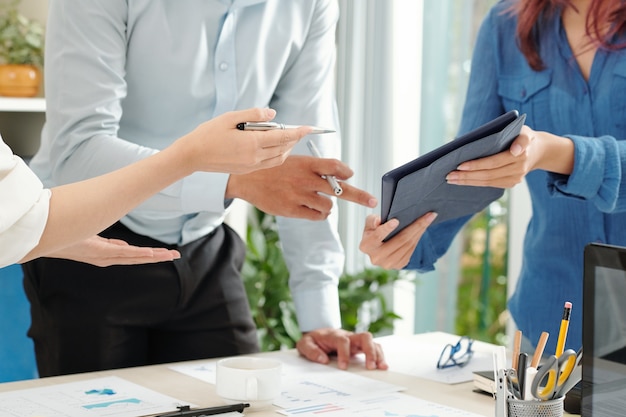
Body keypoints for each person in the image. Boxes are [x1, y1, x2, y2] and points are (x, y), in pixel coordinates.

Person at [25, 0, 386, 377]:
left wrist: (320, 317)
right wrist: (236, 180)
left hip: (204, 243)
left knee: (247, 401)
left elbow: (306, 159)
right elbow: (79, 153)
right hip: (86, 243)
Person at [360, 0, 626, 355]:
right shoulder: (506, 26)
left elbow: (541, 153)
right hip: (551, 327)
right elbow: (468, 169)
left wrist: (554, 152)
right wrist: (405, 239)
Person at [2, 108, 307, 268]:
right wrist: (190, 156)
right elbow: (25, 214)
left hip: (207, 245)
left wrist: (47, 235)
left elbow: (20, 217)